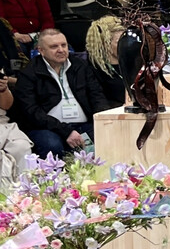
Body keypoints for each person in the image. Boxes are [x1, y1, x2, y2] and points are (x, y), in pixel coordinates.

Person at [12, 28, 109, 157]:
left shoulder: (81, 66)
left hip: (84, 124)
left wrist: (104, 121)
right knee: (52, 145)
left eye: (64, 45)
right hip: (47, 127)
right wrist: (66, 131)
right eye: (54, 46)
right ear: (41, 50)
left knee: (107, 137)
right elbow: (31, 111)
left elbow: (97, 96)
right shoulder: (29, 73)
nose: (61, 50)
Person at [85, 16, 128, 108]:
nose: (125, 45)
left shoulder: (132, 61)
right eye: (119, 41)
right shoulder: (92, 69)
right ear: (105, 43)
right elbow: (98, 100)